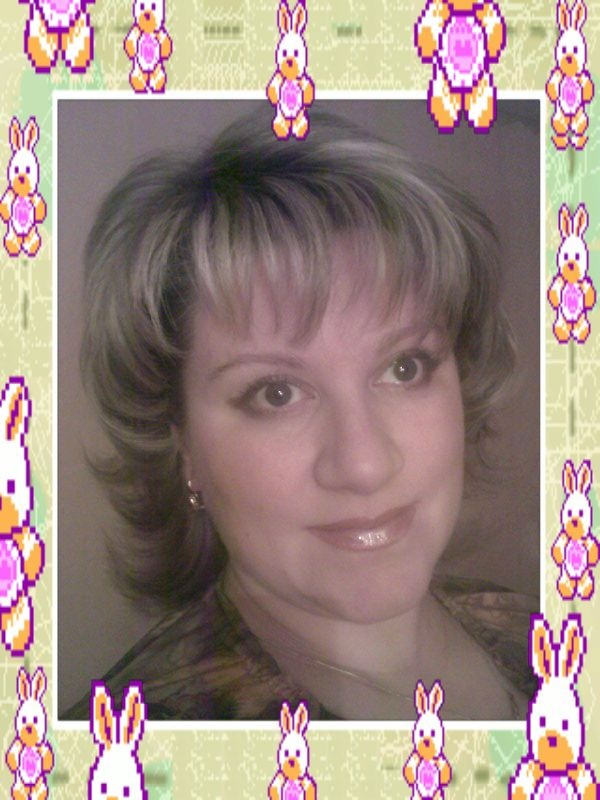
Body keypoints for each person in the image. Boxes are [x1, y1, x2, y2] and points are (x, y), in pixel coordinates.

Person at [65, 109, 536, 721]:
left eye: (405, 367)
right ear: (182, 446)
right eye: (276, 393)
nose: (365, 464)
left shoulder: (533, 630)